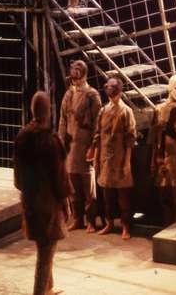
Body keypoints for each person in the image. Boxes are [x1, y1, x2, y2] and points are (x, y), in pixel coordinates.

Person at [14, 91, 71, 295]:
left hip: (30, 201)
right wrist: (65, 202)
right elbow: (60, 179)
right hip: (48, 205)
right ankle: (40, 292)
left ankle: (48, 287)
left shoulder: (22, 137)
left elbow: (18, 179)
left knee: (44, 247)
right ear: (48, 111)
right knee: (46, 253)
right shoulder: (51, 141)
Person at [87, 78, 136, 240]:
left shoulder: (126, 111)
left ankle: (125, 226)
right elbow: (98, 134)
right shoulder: (104, 110)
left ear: (119, 90)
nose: (110, 90)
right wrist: (94, 152)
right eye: (108, 87)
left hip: (120, 158)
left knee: (123, 197)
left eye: (113, 88)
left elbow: (130, 138)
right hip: (105, 158)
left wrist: (127, 161)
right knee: (107, 195)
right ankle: (109, 223)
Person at [58, 60, 102, 232]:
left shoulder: (92, 95)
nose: (74, 80)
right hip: (70, 146)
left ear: (83, 75)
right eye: (72, 76)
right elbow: (63, 119)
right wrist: (61, 141)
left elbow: (97, 123)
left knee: (88, 187)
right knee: (73, 185)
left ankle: (91, 220)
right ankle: (78, 219)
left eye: (77, 76)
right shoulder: (68, 94)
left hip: (85, 145)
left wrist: (94, 146)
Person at [149, 75, 176, 226]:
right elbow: (154, 138)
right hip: (162, 159)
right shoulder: (159, 109)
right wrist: (153, 159)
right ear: (169, 88)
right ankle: (166, 225)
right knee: (163, 195)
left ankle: (175, 226)